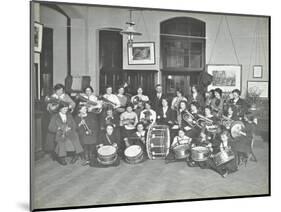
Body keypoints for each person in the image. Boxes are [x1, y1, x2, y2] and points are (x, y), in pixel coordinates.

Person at [48, 101, 84, 166]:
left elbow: (74, 125)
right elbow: (50, 128)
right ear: (60, 109)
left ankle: (76, 155)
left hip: (69, 131)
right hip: (60, 133)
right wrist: (58, 128)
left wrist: (70, 128)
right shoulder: (55, 116)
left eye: (66, 109)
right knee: (61, 140)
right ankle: (62, 158)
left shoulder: (69, 115)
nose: (65, 110)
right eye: (64, 109)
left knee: (75, 138)